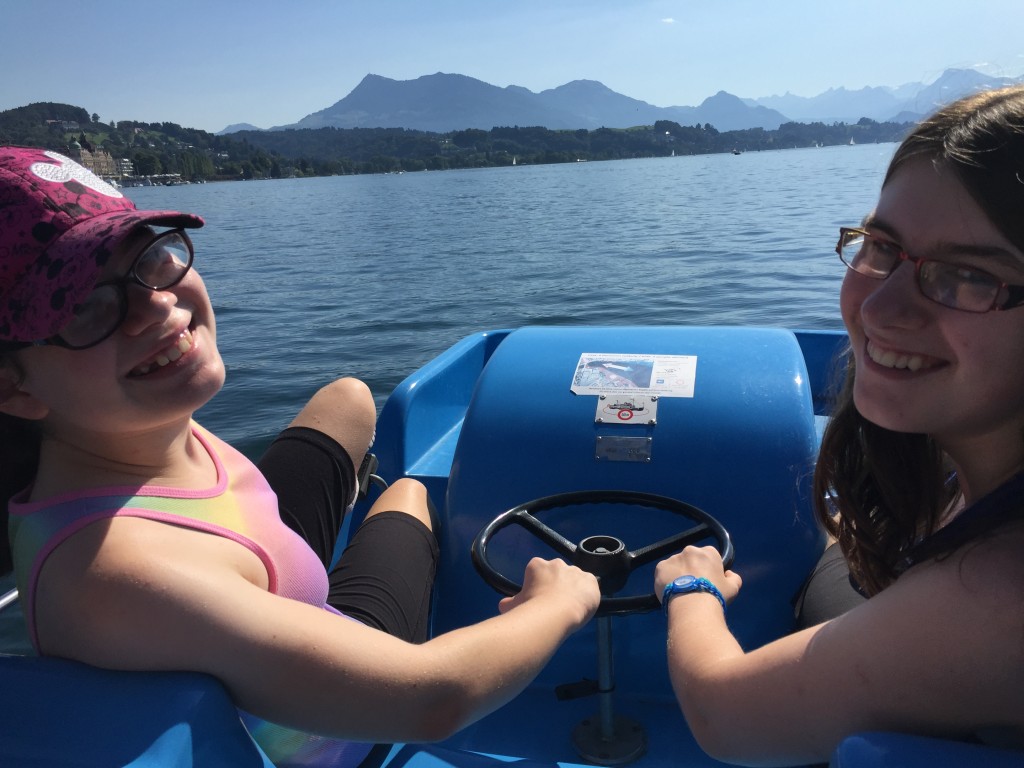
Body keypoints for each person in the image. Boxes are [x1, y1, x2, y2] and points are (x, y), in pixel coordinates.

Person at [0, 146, 600, 765]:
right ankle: (386, 512)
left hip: (260, 575)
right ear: (11, 386)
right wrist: (558, 602)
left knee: (348, 399)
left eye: (150, 258)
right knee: (410, 495)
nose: (156, 304)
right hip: (339, 741)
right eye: (83, 307)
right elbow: (435, 699)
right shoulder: (118, 576)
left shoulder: (134, 432)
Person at [654, 85, 1024, 766]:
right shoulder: (976, 461)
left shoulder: (998, 596)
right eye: (882, 246)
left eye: (968, 276)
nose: (881, 307)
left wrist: (690, 588)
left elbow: (724, 712)